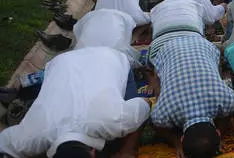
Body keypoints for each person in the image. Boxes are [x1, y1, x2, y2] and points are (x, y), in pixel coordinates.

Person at [0, 47, 150, 158]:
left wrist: (127, 150)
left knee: (119, 141)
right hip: (64, 61)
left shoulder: (115, 121)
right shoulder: (29, 138)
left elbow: (144, 103)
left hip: (111, 57)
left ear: (92, 152)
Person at [148, 0, 234, 158]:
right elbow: (157, 124)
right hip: (163, 44)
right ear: (182, 138)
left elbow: (228, 113)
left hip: (195, 38)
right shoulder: (164, 113)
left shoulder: (226, 101)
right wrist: (175, 142)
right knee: (157, 74)